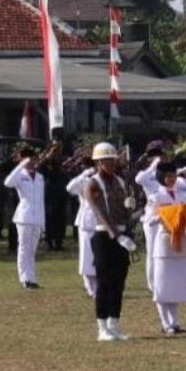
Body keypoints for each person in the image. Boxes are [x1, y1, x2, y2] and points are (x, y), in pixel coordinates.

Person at [84, 142, 135, 341]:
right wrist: (117, 235)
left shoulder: (120, 182)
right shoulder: (93, 184)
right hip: (104, 236)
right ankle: (102, 326)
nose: (111, 164)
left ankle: (114, 322)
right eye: (106, 161)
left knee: (119, 282)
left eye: (113, 160)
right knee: (104, 282)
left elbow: (123, 213)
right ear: (98, 162)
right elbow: (101, 213)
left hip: (121, 234)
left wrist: (131, 207)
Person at [146, 160, 186, 335]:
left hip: (180, 241)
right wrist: (163, 216)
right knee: (163, 285)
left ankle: (175, 322)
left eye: (174, 176)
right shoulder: (157, 196)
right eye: (168, 176)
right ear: (161, 178)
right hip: (163, 243)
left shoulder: (180, 194)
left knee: (176, 284)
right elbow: (150, 220)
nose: (172, 179)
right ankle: (165, 323)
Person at [3, 145, 47, 288]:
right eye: (28, 159)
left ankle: (32, 278)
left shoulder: (40, 177)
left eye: (33, 159)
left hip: (37, 218)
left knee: (32, 250)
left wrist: (43, 222)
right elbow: (8, 183)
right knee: (24, 248)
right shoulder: (20, 175)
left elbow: (41, 200)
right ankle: (25, 279)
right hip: (24, 216)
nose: (32, 162)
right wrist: (20, 165)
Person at [133, 141, 168, 293]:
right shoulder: (148, 174)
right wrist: (153, 165)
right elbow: (138, 180)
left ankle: (164, 281)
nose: (158, 157)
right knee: (153, 250)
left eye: (159, 154)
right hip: (152, 216)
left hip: (169, 215)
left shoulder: (169, 172)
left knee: (166, 251)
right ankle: (153, 285)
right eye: (154, 154)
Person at [66, 158, 98, 297]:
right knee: (87, 256)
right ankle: (90, 287)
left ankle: (99, 286)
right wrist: (85, 174)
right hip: (86, 222)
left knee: (99, 256)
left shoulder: (105, 180)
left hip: (102, 223)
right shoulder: (83, 181)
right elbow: (70, 188)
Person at [39, 141, 69, 252]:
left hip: (61, 195)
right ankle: (49, 242)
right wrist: (49, 156)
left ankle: (59, 242)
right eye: (55, 148)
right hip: (49, 196)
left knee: (60, 220)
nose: (57, 151)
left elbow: (65, 174)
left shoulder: (61, 161)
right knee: (50, 219)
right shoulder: (46, 162)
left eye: (59, 148)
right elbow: (39, 168)